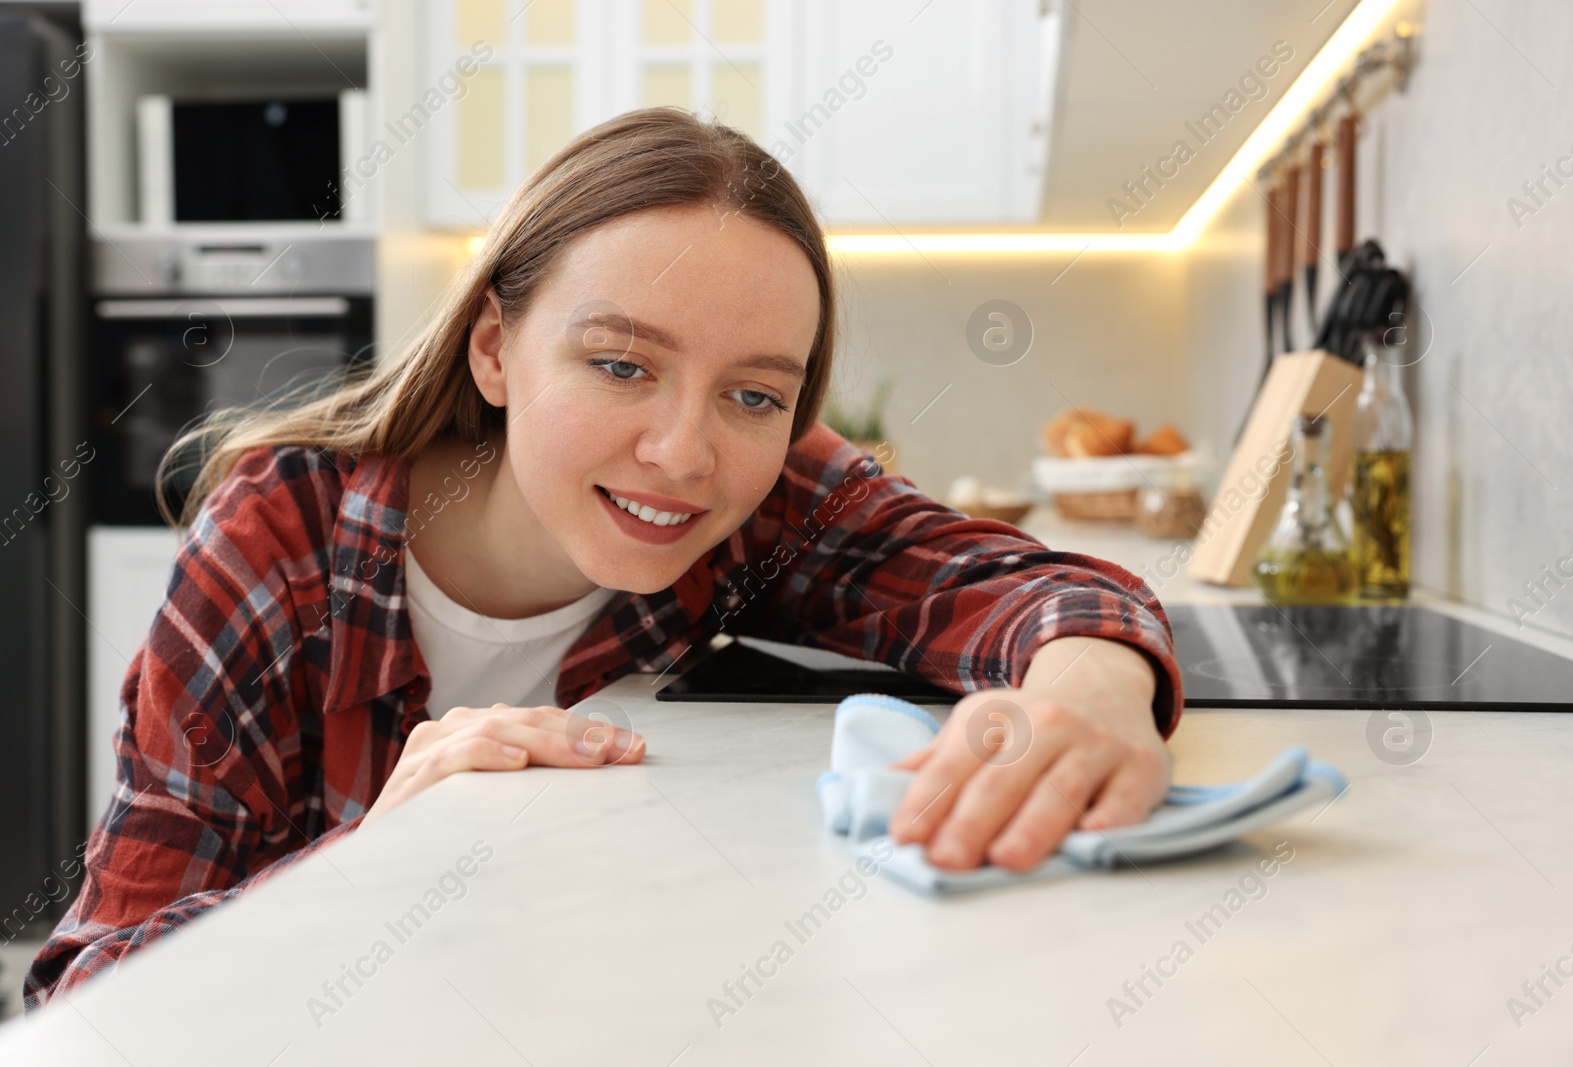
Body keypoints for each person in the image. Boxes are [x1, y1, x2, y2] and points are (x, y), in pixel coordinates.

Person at [26, 107, 1183, 1010]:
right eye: (622, 365)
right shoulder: (276, 543)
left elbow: (1023, 588)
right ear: (494, 347)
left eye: (753, 393)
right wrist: (373, 855)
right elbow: (90, 990)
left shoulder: (762, 498)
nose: (684, 451)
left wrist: (1091, 681)